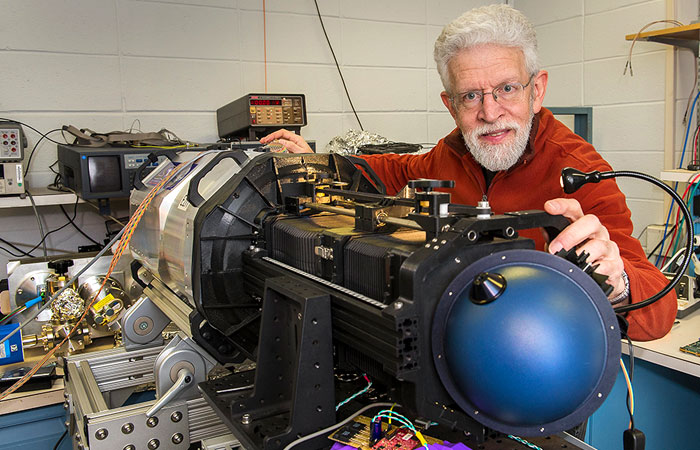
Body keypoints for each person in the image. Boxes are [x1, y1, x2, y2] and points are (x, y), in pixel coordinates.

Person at [260, 4, 675, 341]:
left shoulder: (581, 172)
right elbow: (392, 171)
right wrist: (319, 163)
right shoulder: (452, 151)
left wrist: (619, 285)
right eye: (471, 96)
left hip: (536, 367)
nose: (490, 112)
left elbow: (658, 312)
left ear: (537, 90)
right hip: (452, 351)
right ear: (450, 105)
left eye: (507, 89)